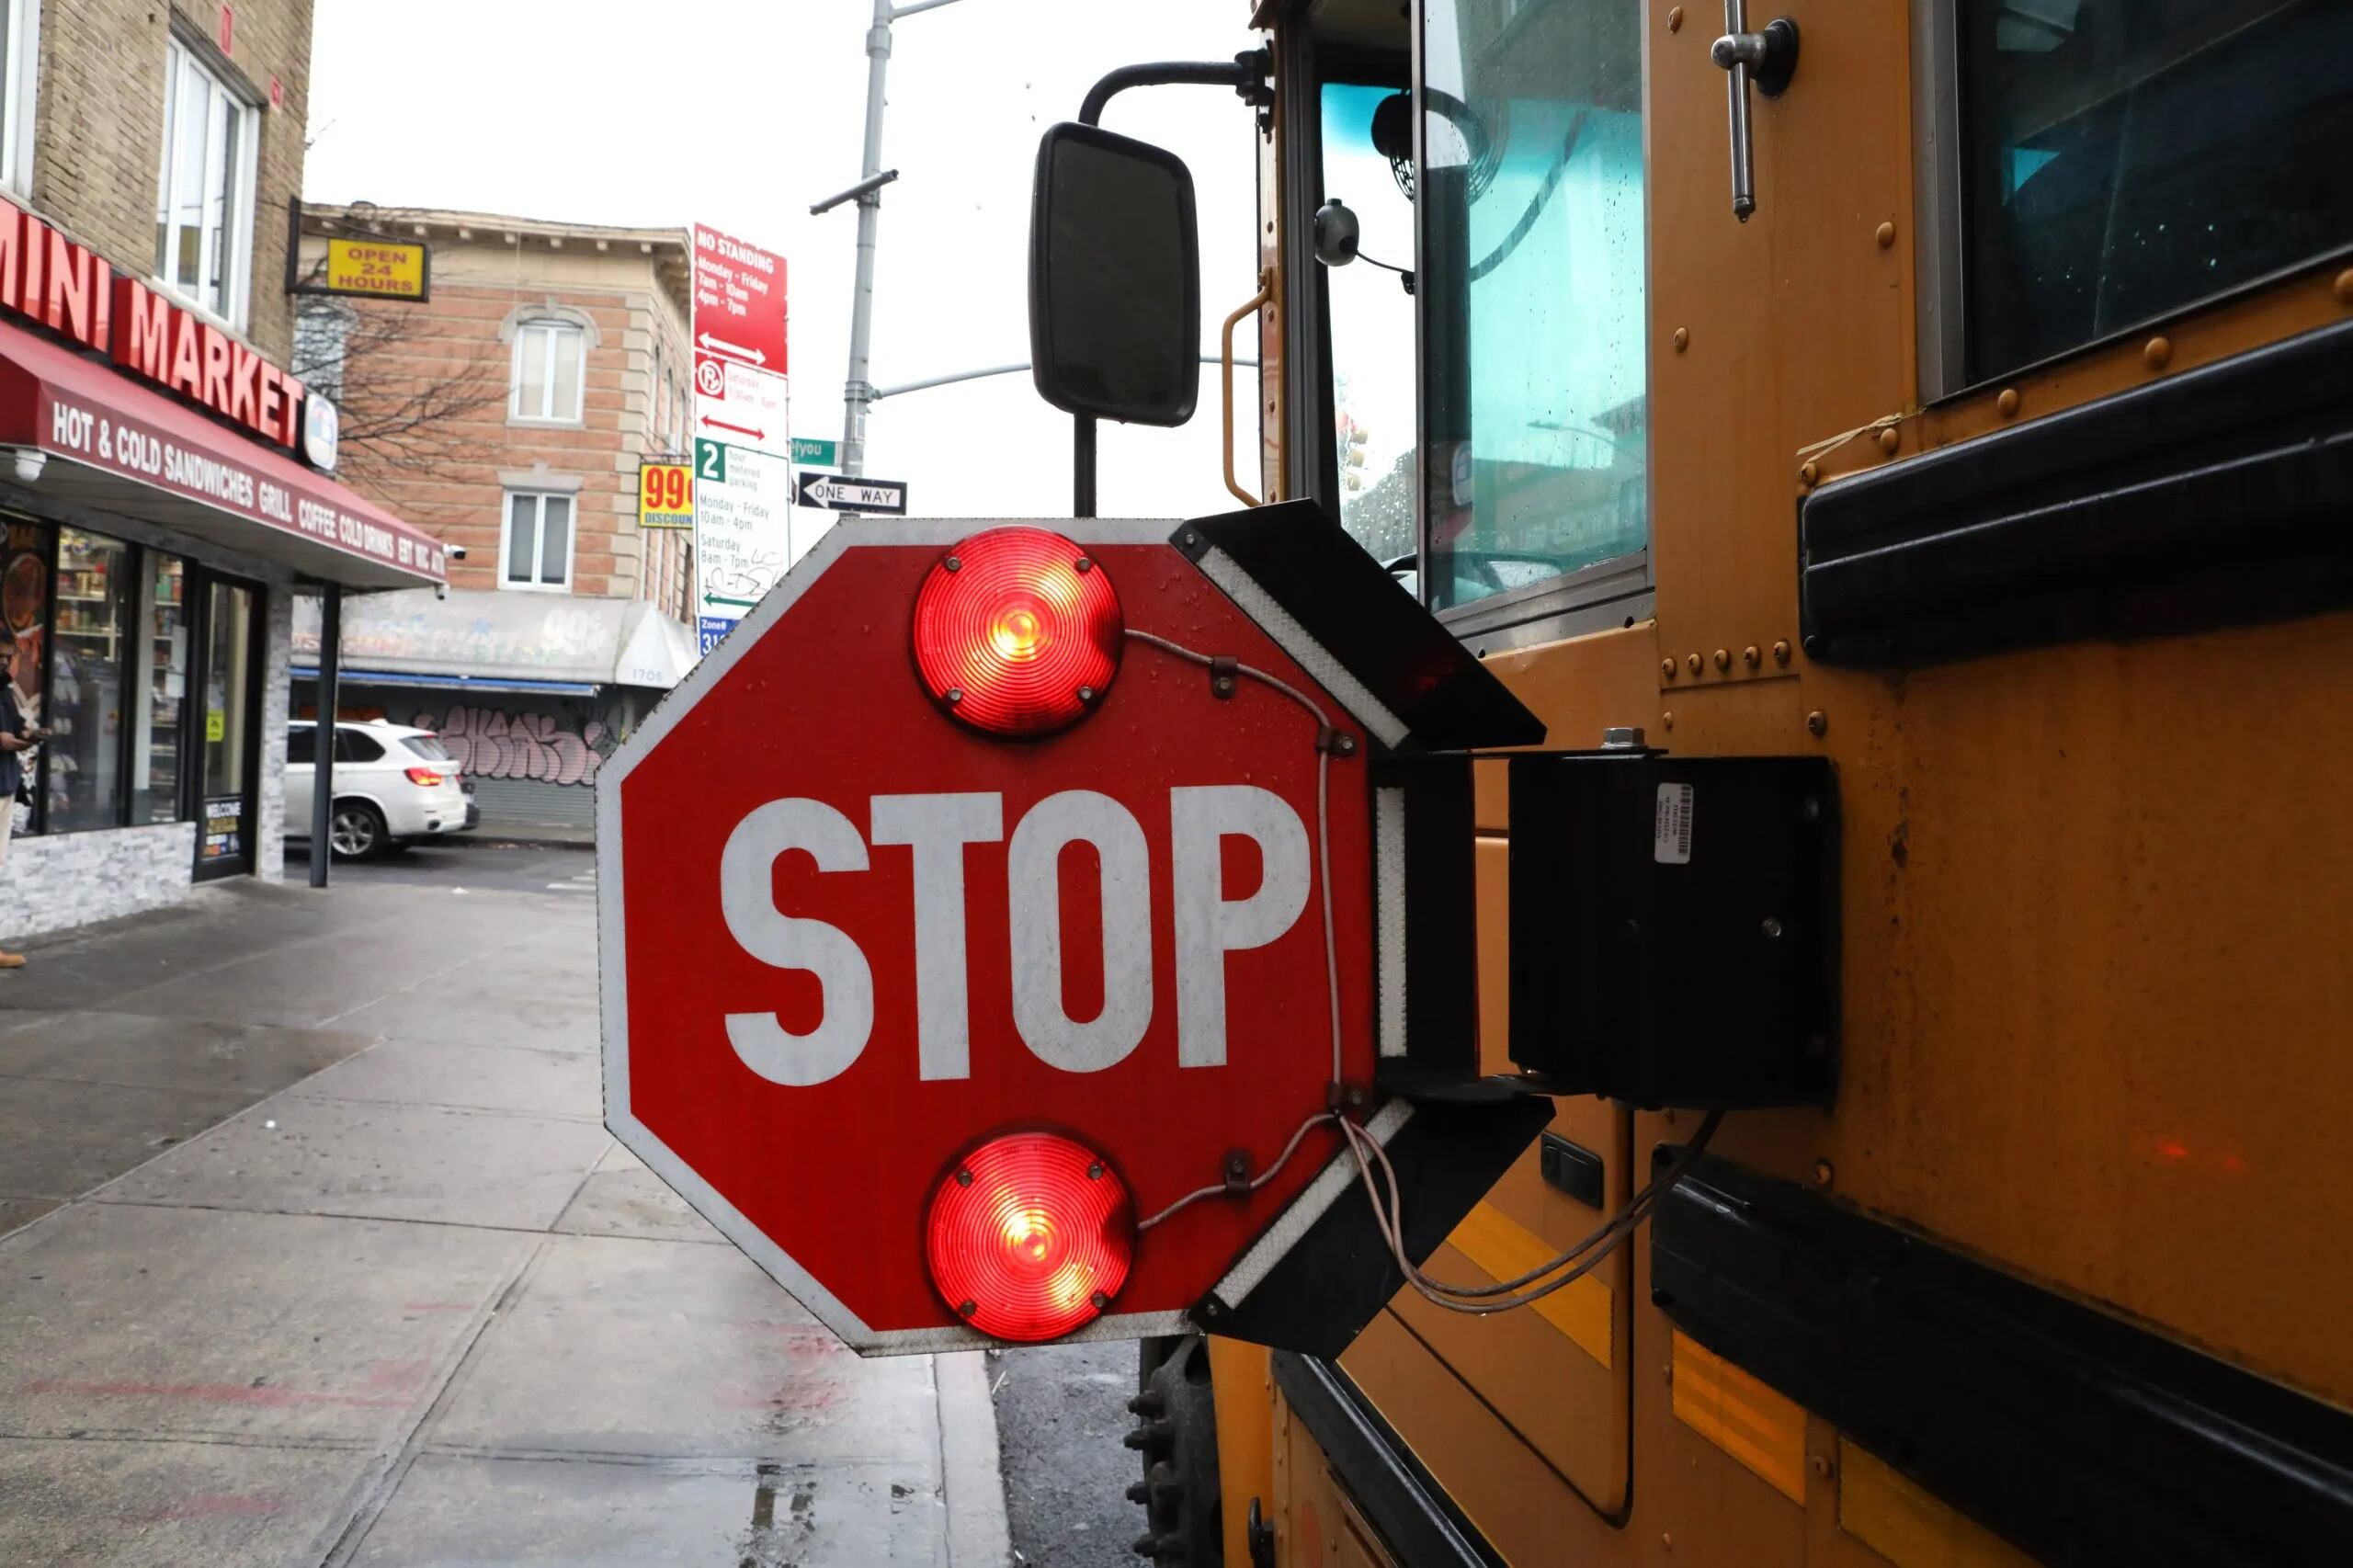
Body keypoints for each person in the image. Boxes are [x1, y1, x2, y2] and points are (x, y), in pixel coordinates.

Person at [0, 624, 51, 968]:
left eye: (8, 657)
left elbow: (15, 725)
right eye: (0, 656)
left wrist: (30, 733)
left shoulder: (4, 689)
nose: (4, 664)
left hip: (4, 785)